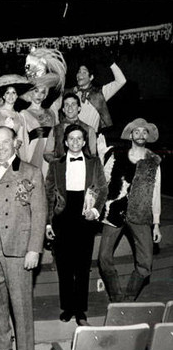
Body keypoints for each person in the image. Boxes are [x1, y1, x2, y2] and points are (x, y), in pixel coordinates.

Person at [0, 126, 46, 350]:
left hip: (18, 247)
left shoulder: (31, 172)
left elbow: (39, 213)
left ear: (16, 143)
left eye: (6, 142)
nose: (1, 147)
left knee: (20, 304)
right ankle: (4, 349)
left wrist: (34, 250)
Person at [45, 124, 107, 325]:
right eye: (71, 138)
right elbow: (48, 195)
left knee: (82, 265)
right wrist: (48, 223)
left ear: (84, 141)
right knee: (64, 266)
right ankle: (68, 307)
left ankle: (80, 309)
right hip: (62, 216)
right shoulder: (55, 164)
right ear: (65, 142)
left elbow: (103, 189)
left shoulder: (95, 162)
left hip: (85, 215)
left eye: (79, 138)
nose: (75, 142)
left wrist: (95, 210)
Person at [98, 118, 162, 302]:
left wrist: (156, 224)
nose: (140, 134)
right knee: (104, 257)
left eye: (144, 132)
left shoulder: (153, 162)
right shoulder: (117, 155)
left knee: (146, 263)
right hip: (114, 213)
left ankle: (130, 297)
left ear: (147, 136)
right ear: (131, 135)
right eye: (137, 131)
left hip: (140, 214)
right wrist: (102, 154)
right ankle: (116, 296)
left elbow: (156, 194)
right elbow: (103, 179)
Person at [70, 61, 126, 134]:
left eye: (84, 72)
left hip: (90, 138)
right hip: (72, 136)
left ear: (91, 77)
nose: (80, 74)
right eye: (79, 72)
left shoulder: (99, 93)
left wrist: (111, 63)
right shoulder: (72, 93)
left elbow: (121, 81)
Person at [44, 93, 97, 163]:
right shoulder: (55, 130)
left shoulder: (89, 130)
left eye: (73, 104)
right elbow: (47, 153)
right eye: (66, 105)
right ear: (63, 109)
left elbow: (93, 155)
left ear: (79, 108)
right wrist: (57, 162)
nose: (70, 107)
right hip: (61, 171)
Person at [19, 83, 57, 177]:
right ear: (30, 93)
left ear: (45, 95)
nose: (39, 95)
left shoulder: (51, 112)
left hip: (51, 151)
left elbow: (56, 134)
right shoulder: (23, 113)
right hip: (34, 151)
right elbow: (22, 139)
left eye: (42, 92)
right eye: (36, 91)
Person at [0, 74, 32, 140]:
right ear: (4, 96)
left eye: (13, 93)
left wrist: (15, 144)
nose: (11, 95)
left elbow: (20, 138)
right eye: (7, 93)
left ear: (16, 96)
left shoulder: (19, 117)